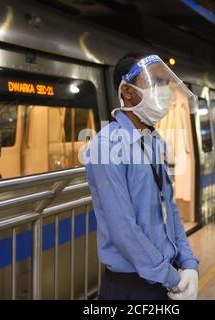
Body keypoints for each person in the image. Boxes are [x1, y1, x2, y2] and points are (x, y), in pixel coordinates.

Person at [84, 53, 199, 300]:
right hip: (131, 286)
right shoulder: (106, 147)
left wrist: (189, 263)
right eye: (156, 83)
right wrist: (172, 278)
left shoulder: (154, 141)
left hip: (164, 276)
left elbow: (169, 207)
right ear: (127, 91)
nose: (165, 91)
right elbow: (124, 229)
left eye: (165, 83)